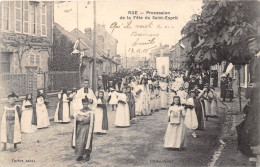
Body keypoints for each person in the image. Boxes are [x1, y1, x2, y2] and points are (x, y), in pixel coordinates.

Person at [71, 95, 95, 161]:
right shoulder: (79, 111)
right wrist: (82, 118)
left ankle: (87, 154)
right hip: (80, 128)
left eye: (86, 104)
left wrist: (81, 118)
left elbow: (88, 119)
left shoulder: (90, 111)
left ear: (88, 104)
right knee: (79, 142)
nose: (85, 105)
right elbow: (77, 118)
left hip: (87, 128)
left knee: (86, 141)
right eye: (84, 104)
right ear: (82, 104)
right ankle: (80, 155)